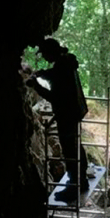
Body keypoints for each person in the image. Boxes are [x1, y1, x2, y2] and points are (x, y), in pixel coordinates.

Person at [25, 38, 91, 202]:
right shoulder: (67, 62)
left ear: (50, 52)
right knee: (75, 146)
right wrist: (43, 74)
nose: (45, 58)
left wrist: (36, 86)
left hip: (67, 114)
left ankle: (74, 185)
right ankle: (81, 180)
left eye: (45, 54)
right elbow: (56, 76)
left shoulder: (61, 67)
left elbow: (55, 96)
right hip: (74, 111)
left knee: (69, 149)